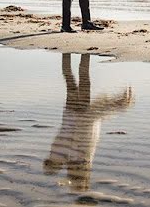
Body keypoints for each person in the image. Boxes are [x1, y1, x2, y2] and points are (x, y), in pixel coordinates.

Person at [43, 53, 134, 191]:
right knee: (72, 79)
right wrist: (54, 165)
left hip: (77, 113)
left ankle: (79, 52)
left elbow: (90, 122)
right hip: (72, 113)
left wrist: (118, 104)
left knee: (79, 79)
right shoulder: (74, 158)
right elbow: (62, 144)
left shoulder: (79, 157)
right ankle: (70, 52)